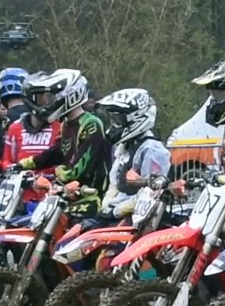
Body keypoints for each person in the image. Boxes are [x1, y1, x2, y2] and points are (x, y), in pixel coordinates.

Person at [15, 69, 111, 213]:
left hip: (91, 197)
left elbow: (80, 166)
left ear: (69, 96)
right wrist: (23, 165)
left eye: (53, 98)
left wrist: (56, 175)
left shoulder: (91, 124)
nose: (49, 103)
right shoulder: (65, 124)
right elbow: (56, 152)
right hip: (67, 195)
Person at [95, 88, 173, 211]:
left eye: (118, 120)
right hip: (116, 209)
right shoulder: (126, 145)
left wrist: (120, 209)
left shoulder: (152, 149)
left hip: (137, 217)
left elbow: (151, 193)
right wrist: (109, 201)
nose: (114, 125)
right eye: (113, 120)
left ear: (136, 118)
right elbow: (115, 182)